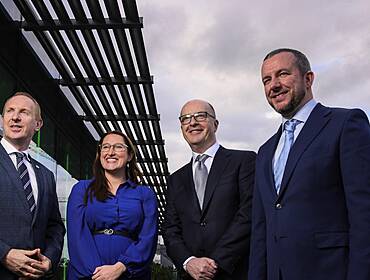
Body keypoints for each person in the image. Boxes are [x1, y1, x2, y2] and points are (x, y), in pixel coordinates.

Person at [248, 48, 370, 280]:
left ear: (308, 78)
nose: (274, 85)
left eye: (283, 74)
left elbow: (364, 216)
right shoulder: (265, 152)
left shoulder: (345, 124)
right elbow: (260, 231)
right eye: (266, 79)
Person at [163, 99, 256, 280]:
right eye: (186, 119)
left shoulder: (244, 162)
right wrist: (188, 261)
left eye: (200, 116)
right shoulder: (175, 179)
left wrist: (214, 263)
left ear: (215, 124)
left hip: (234, 272)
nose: (193, 122)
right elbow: (170, 229)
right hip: (191, 275)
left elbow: (248, 215)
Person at [67, 130, 158, 279]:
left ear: (129, 155)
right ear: (100, 154)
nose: (110, 152)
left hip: (131, 274)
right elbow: (77, 235)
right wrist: (98, 274)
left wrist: (121, 267)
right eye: (105, 147)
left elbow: (148, 237)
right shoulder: (81, 189)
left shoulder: (145, 194)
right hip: (87, 274)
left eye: (118, 147)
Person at [0, 92, 65, 279]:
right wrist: (4, 254)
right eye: (10, 111)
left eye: (24, 112)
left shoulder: (46, 175)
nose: (15, 117)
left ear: (38, 124)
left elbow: (55, 227)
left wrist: (49, 259)